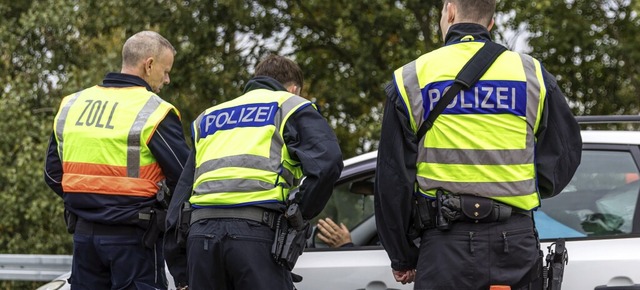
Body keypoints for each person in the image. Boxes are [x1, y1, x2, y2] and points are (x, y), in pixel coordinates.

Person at [374, 0, 582, 289]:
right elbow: (565, 154)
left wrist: (402, 256)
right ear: (491, 23)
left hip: (444, 247)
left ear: (450, 11)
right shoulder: (532, 74)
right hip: (515, 245)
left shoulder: (411, 78)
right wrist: (523, 187)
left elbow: (391, 179)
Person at [164, 54, 344, 289]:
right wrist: (297, 215)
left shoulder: (208, 117)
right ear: (294, 88)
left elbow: (180, 197)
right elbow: (328, 163)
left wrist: (180, 268)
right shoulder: (290, 105)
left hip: (202, 238)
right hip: (255, 235)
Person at [44, 31, 189, 290]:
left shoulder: (72, 104)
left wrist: (92, 204)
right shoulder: (154, 111)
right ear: (149, 64)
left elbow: (53, 174)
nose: (166, 79)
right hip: (134, 238)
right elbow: (185, 177)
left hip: (84, 237)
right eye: (165, 71)